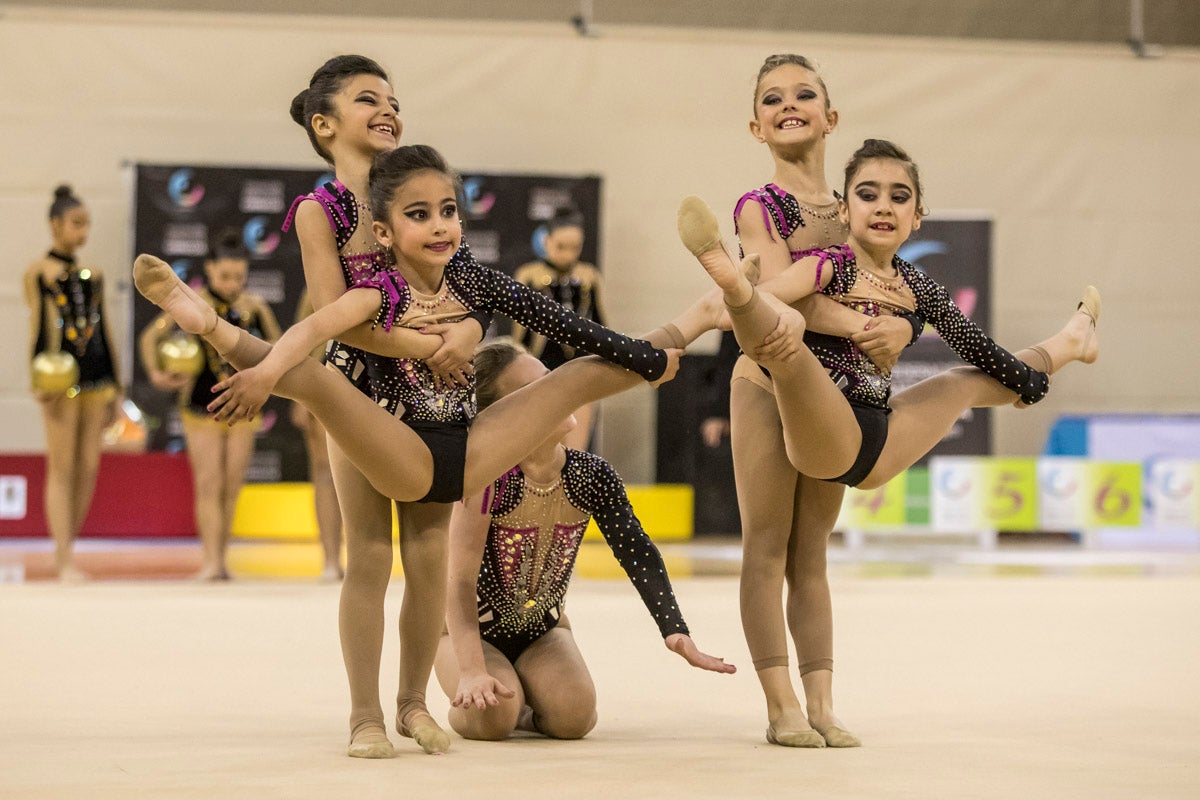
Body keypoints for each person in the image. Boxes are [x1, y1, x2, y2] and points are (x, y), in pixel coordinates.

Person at [131, 142, 684, 756]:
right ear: (384, 233)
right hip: (406, 453)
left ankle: (695, 321)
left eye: (448, 211)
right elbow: (313, 330)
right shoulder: (377, 291)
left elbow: (571, 326)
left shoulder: (473, 280)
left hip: (464, 448)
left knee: (573, 377)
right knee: (324, 394)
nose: (440, 225)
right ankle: (209, 324)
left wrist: (650, 357)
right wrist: (264, 374)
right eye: (419, 215)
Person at [678, 135, 1101, 694]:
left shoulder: (920, 288)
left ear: (918, 216)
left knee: (965, 382)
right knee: (788, 347)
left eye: (899, 197)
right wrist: (738, 300)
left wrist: (1029, 383)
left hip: (874, 440)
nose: (883, 206)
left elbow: (984, 352)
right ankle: (730, 280)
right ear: (844, 209)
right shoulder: (829, 264)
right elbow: (775, 297)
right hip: (824, 428)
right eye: (868, 194)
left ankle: (1071, 341)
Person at [285, 55, 489, 758]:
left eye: (394, 101)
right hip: (359, 391)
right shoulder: (321, 210)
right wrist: (425, 342)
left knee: (428, 557)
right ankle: (364, 715)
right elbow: (334, 317)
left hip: (437, 392)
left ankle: (413, 704)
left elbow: (469, 287)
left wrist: (468, 332)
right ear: (324, 124)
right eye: (368, 99)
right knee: (369, 555)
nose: (388, 110)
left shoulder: (416, 193)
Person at [433, 341, 734, 741]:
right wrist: (471, 670)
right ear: (501, 415)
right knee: (493, 719)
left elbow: (637, 551)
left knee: (573, 718)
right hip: (467, 634)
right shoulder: (487, 478)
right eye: (537, 390)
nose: (559, 393)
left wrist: (674, 628)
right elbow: (458, 581)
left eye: (554, 381)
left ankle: (525, 703)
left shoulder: (590, 475)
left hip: (544, 631)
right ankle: (499, 699)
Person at [139, 229, 282, 581]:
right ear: (210, 269)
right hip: (200, 404)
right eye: (225, 276)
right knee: (208, 482)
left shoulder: (254, 306)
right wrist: (157, 374)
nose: (232, 284)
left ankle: (222, 558)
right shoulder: (195, 303)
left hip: (243, 407)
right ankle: (210, 560)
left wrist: (267, 375)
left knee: (231, 484)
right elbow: (150, 337)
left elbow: (280, 346)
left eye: (238, 277)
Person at [23, 185, 122, 581]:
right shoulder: (39, 272)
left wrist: (116, 385)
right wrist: (40, 378)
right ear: (55, 225)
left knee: (88, 466)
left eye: (86, 224)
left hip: (95, 375)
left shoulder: (94, 274)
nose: (83, 231)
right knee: (62, 465)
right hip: (60, 375)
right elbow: (38, 326)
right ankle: (63, 557)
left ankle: (68, 548)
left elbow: (104, 328)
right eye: (75, 223)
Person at [511, 209, 606, 450]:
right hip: (539, 370)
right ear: (547, 241)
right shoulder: (529, 276)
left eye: (575, 247)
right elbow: (518, 333)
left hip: (581, 369)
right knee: (542, 447)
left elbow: (601, 325)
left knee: (575, 448)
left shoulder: (589, 276)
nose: (568, 255)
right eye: (561, 247)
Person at [291, 290, 343, 581]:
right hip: (323, 377)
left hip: (368, 380)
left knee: (360, 477)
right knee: (325, 472)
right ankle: (331, 559)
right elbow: (302, 336)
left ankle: (358, 557)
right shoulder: (315, 286)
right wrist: (301, 395)